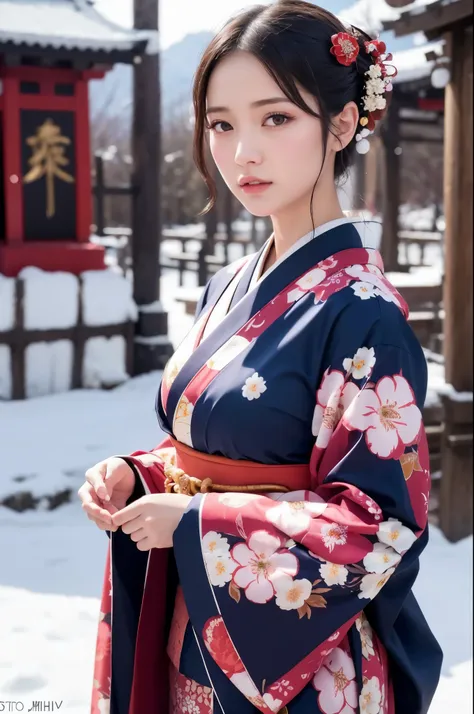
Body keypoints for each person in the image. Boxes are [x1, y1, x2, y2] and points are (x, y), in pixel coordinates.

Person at [78, 2, 443, 713]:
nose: (243, 151)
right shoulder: (228, 286)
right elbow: (221, 443)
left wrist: (196, 522)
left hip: (301, 661)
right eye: (222, 124)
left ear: (342, 124)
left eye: (275, 118)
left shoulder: (361, 312)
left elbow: (377, 522)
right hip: (198, 629)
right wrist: (142, 472)